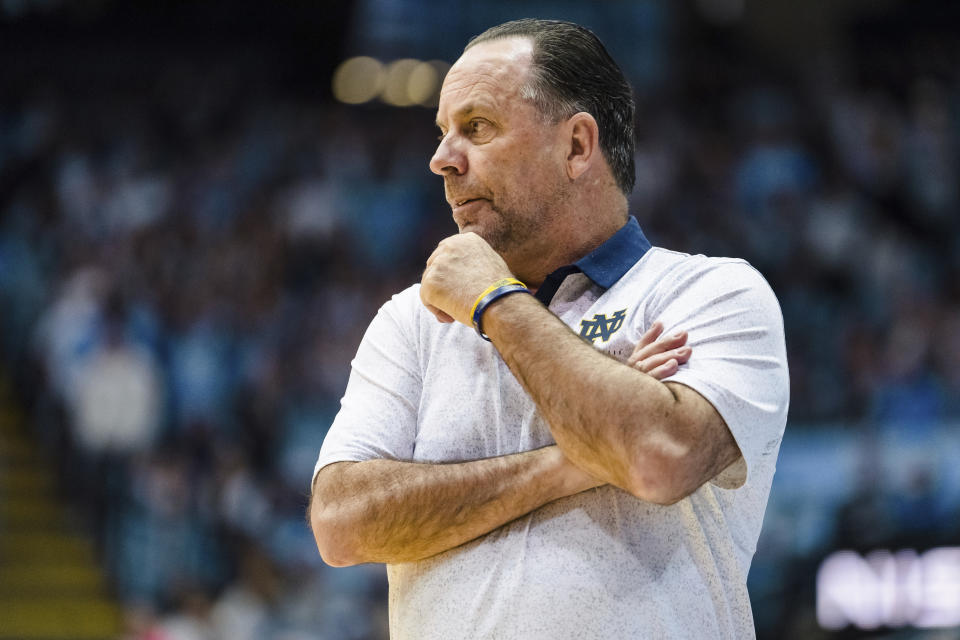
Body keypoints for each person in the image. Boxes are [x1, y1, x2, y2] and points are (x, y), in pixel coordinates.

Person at [309, 18, 789, 640]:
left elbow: (656, 459)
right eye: (443, 132)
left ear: (577, 146)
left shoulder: (711, 293)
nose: (441, 159)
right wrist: (576, 463)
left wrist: (495, 301)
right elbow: (342, 523)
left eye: (476, 128)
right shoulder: (413, 320)